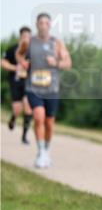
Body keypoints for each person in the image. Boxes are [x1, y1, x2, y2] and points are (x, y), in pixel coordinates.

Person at [17, 13, 71, 168]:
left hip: (52, 88)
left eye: (46, 23)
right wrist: (23, 63)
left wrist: (56, 63)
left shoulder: (57, 43)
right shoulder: (29, 42)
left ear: (50, 25)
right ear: (37, 24)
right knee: (39, 116)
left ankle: (46, 150)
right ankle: (41, 152)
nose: (43, 25)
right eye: (41, 23)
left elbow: (68, 63)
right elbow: (18, 54)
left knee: (49, 122)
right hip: (33, 87)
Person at [2, 26, 32, 145]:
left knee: (28, 106)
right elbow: (3, 62)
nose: (26, 39)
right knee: (17, 109)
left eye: (28, 37)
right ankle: (13, 118)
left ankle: (24, 136)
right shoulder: (12, 49)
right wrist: (15, 68)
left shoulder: (32, 52)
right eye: (24, 36)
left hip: (29, 83)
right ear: (20, 37)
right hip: (15, 82)